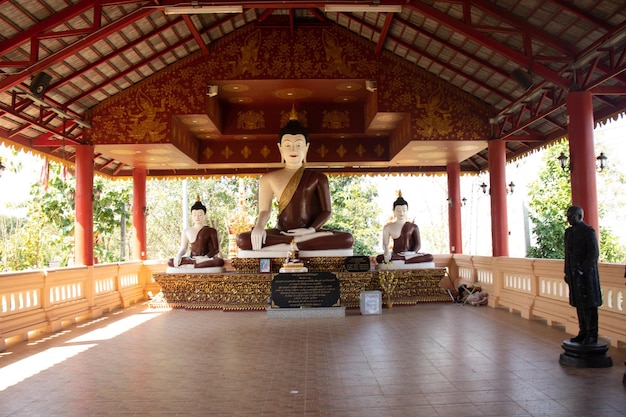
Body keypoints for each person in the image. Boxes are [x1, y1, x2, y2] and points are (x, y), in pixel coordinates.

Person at [236, 117, 354, 252]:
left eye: (299, 145)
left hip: (310, 233)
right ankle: (295, 243)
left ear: (306, 148)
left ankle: (290, 244)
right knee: (243, 239)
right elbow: (265, 211)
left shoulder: (318, 177)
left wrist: (311, 230)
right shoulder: (268, 178)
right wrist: (259, 227)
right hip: (281, 232)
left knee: (347, 238)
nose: (293, 149)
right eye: (288, 145)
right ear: (280, 148)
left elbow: (326, 211)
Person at [563, 205, 602, 345]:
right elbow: (567, 255)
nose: (568, 219)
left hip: (587, 277)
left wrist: (582, 270)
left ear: (579, 216)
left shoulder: (588, 232)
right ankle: (583, 331)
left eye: (571, 216)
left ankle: (592, 334)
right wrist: (567, 272)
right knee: (579, 304)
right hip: (574, 275)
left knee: (589, 305)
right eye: (567, 216)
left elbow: (593, 254)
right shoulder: (568, 233)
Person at [376, 193, 433, 264]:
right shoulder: (388, 227)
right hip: (396, 254)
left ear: (407, 210)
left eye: (404, 210)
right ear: (394, 211)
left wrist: (412, 253)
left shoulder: (413, 226)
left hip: (411, 255)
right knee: (379, 258)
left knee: (429, 257)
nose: (401, 213)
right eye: (399, 211)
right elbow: (385, 245)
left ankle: (404, 260)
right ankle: (405, 260)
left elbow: (418, 245)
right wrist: (387, 253)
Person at [168, 197, 224, 268]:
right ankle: (196, 264)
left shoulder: (211, 230)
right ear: (191, 216)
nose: (197, 218)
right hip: (192, 258)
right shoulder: (186, 231)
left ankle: (195, 264)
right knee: (170, 261)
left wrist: (206, 257)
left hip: (206, 259)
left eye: (200, 215)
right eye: (194, 215)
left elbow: (216, 249)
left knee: (219, 261)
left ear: (204, 216)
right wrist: (178, 255)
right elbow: (184, 247)